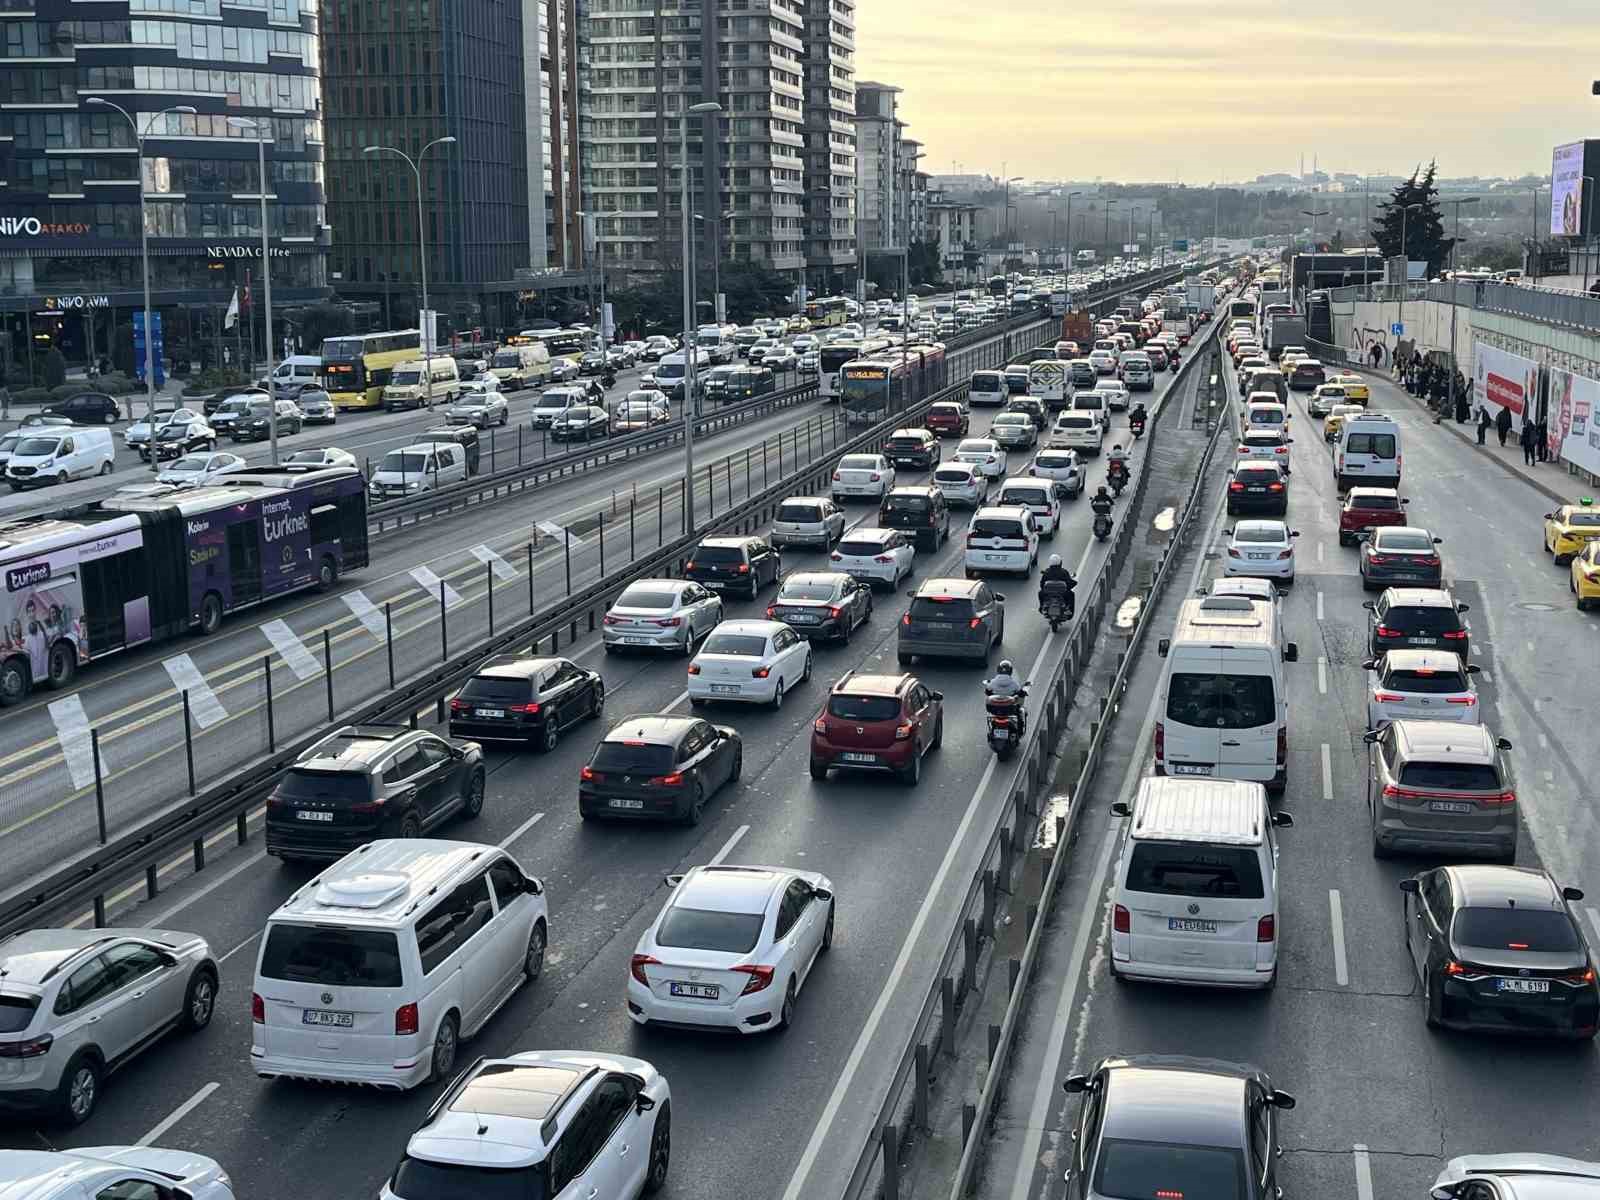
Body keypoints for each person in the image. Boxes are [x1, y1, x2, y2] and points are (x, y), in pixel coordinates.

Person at [983, 659, 1026, 737]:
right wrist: (1022, 693)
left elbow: (987, 691)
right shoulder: (1014, 683)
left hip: (995, 710)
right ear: (1010, 671)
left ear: (998, 670)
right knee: (1020, 712)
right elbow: (1020, 692)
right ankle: (1020, 732)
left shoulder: (993, 681)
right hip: (1008, 709)